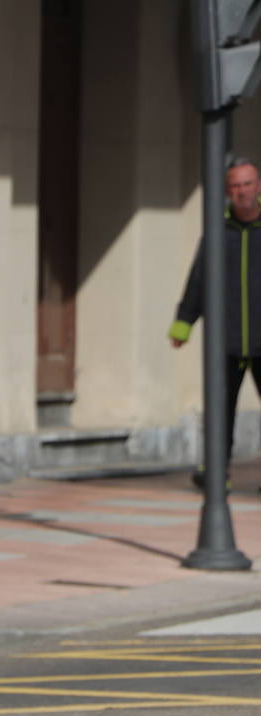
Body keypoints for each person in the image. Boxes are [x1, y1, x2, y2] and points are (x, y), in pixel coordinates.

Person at [170, 157, 261, 488]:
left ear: (259, 186)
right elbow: (199, 280)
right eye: (234, 186)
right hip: (227, 339)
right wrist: (183, 323)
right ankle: (216, 473)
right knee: (220, 413)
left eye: (247, 184)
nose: (241, 192)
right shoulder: (217, 231)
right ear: (227, 191)